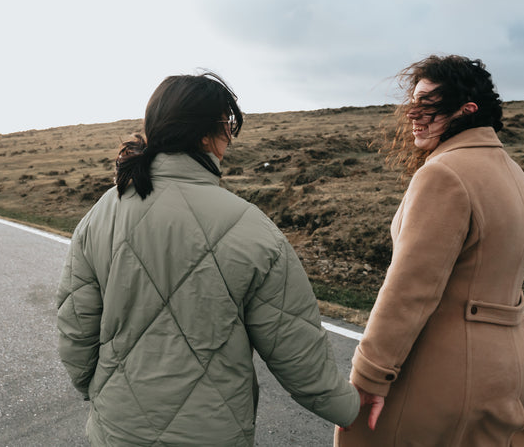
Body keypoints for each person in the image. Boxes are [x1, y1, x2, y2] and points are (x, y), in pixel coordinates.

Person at [57, 72, 359, 446]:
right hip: (212, 432)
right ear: (205, 136)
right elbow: (295, 349)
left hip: (116, 428)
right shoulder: (253, 228)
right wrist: (349, 409)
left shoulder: (104, 210)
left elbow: (75, 327)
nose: (230, 137)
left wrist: (96, 390)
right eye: (228, 125)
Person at [335, 55, 524, 446]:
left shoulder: (443, 174)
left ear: (466, 111)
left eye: (428, 105)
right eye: (413, 102)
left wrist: (369, 376)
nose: (413, 115)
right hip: (513, 372)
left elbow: (411, 289)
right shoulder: (512, 172)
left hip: (446, 374)